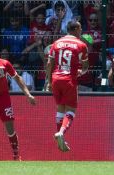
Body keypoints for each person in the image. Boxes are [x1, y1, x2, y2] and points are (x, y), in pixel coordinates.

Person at [46, 21, 89, 152]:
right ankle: (61, 133)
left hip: (55, 79)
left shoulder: (56, 43)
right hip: (69, 80)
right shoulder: (81, 45)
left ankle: (60, 139)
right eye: (80, 28)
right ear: (75, 29)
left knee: (60, 109)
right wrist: (83, 71)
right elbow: (85, 65)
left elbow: (49, 64)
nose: (81, 30)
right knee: (71, 110)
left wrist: (48, 81)